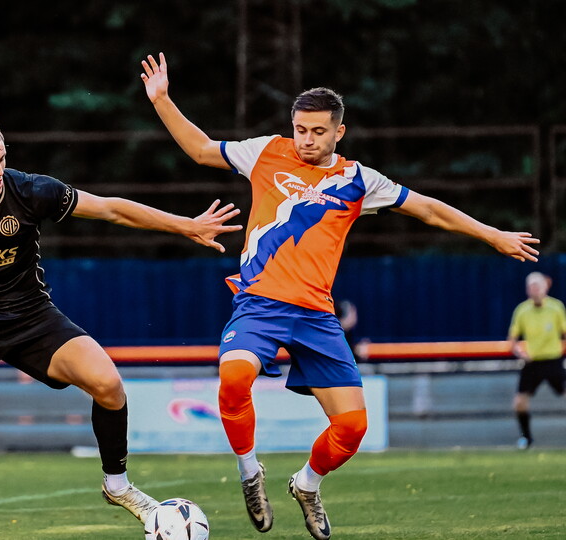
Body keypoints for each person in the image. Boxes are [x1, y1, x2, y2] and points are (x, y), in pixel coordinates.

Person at [140, 52, 540, 540]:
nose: (306, 140)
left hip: (316, 316)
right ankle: (250, 474)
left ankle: (307, 486)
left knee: (351, 428)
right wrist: (162, 101)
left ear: (338, 133)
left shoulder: (358, 181)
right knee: (234, 375)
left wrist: (492, 234)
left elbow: (429, 210)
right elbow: (202, 149)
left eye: (317, 132)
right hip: (260, 304)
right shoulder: (266, 151)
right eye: (300, 129)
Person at [0, 112, 242, 540]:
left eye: (0, 157)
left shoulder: (30, 189)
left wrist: (185, 225)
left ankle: (117, 485)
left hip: (32, 318)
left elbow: (111, 209)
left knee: (108, 384)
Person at [508, 271, 566, 450]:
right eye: (531, 287)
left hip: (553, 360)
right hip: (532, 363)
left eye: (537, 287)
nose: (534, 291)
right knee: (519, 402)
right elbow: (512, 340)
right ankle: (526, 438)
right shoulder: (522, 310)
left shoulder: (556, 307)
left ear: (545, 288)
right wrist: (520, 352)